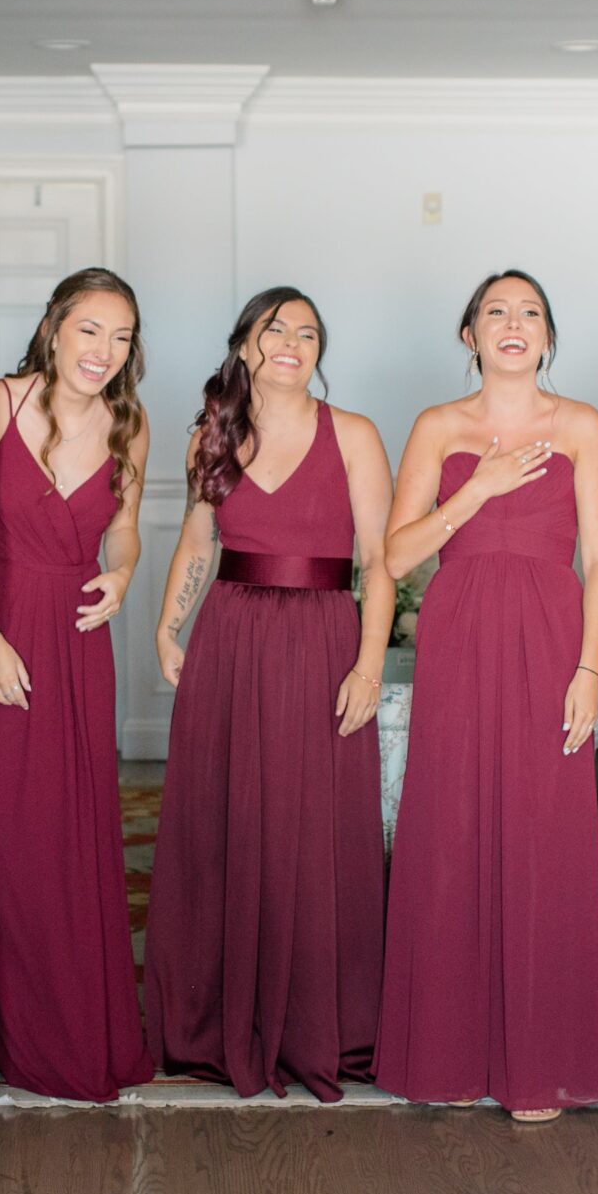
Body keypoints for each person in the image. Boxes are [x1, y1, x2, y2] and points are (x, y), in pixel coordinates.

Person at [375, 269, 598, 1122]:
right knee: (452, 821)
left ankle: (538, 1061)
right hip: (461, 631)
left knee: (545, 827)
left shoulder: (582, 424)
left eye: (531, 312)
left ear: (548, 336)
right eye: (496, 311)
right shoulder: (438, 426)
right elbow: (396, 556)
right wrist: (477, 487)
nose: (514, 323)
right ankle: (446, 1049)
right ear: (469, 334)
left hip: (552, 636)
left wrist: (586, 670)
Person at [145, 287, 392, 1101]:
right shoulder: (210, 432)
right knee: (225, 819)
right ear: (244, 343)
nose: (292, 341)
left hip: (324, 638)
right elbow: (196, 540)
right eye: (274, 327)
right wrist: (168, 626)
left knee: (317, 825)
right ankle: (218, 1018)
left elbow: (378, 562)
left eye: (308, 332)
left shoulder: (354, 434)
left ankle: (322, 1024)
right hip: (232, 637)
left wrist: (367, 664)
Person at [0, 268, 153, 1100]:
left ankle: (70, 1018)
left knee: (71, 831)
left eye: (122, 337)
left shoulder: (130, 425)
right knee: (3, 831)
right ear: (53, 326)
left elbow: (125, 529)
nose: (104, 351)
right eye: (90, 329)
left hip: (81, 641)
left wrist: (122, 574)